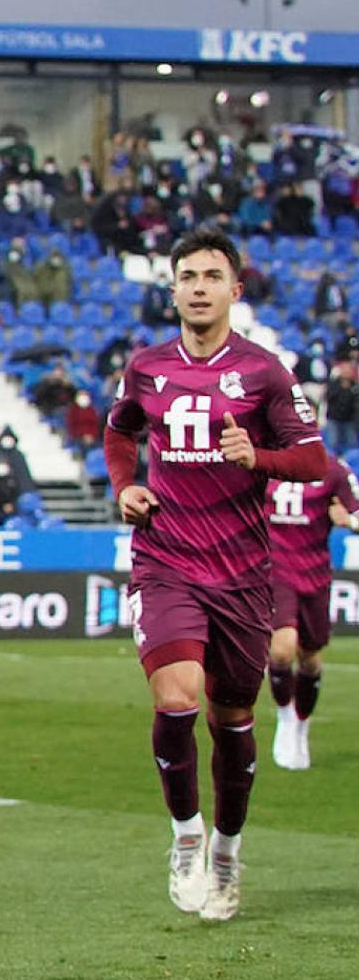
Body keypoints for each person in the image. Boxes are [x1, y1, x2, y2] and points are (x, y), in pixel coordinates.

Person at [104, 226, 327, 923]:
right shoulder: (146, 367)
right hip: (167, 560)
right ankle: (185, 837)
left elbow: (314, 461)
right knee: (176, 699)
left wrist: (257, 456)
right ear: (172, 290)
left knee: (233, 719)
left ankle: (227, 852)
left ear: (236, 288)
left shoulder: (266, 372)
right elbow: (120, 431)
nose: (198, 288)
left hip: (243, 575)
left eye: (211, 276)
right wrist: (124, 485)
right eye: (187, 276)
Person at [265, 466, 359, 770]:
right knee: (281, 650)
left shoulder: (334, 470)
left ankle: (302, 724)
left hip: (315, 576)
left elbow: (355, 510)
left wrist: (351, 521)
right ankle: (285, 717)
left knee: (309, 658)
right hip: (273, 571)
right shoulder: (263, 460)